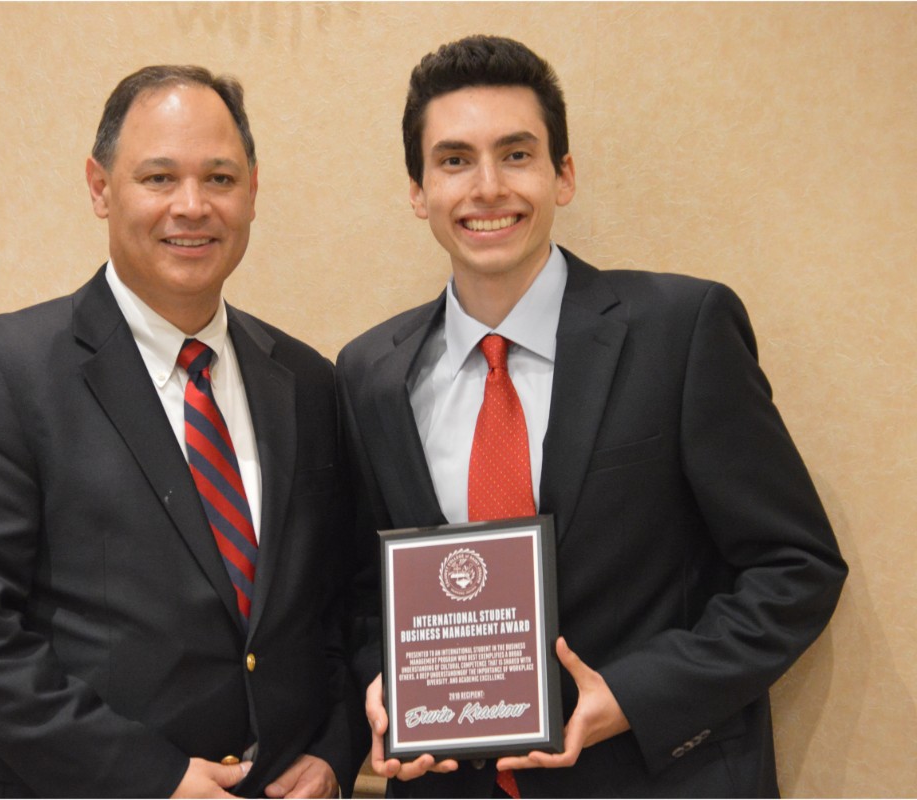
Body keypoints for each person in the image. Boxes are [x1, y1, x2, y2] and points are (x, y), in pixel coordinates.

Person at [337, 35, 847, 797]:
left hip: (657, 776)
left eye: (516, 154)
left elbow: (795, 568)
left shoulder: (681, 329)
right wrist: (385, 684)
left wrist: (634, 697)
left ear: (562, 175)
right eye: (453, 160)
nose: (486, 187)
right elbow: (358, 594)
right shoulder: (369, 372)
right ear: (417, 191)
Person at [0, 65, 362, 798]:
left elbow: (337, 605)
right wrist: (152, 780)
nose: (192, 206)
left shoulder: (306, 382)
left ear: (251, 189)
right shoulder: (1, 374)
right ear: (99, 187)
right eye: (159, 178)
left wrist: (336, 749)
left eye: (218, 178)